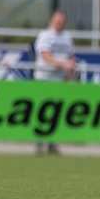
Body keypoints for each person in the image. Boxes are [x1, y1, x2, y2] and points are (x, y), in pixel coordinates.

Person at [34, 9, 77, 155]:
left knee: (56, 112)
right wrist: (62, 64)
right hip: (44, 77)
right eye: (57, 20)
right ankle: (39, 143)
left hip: (59, 79)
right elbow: (45, 55)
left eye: (62, 21)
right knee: (42, 110)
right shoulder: (45, 35)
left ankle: (52, 143)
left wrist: (69, 76)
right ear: (51, 20)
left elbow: (71, 58)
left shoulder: (67, 37)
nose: (59, 23)